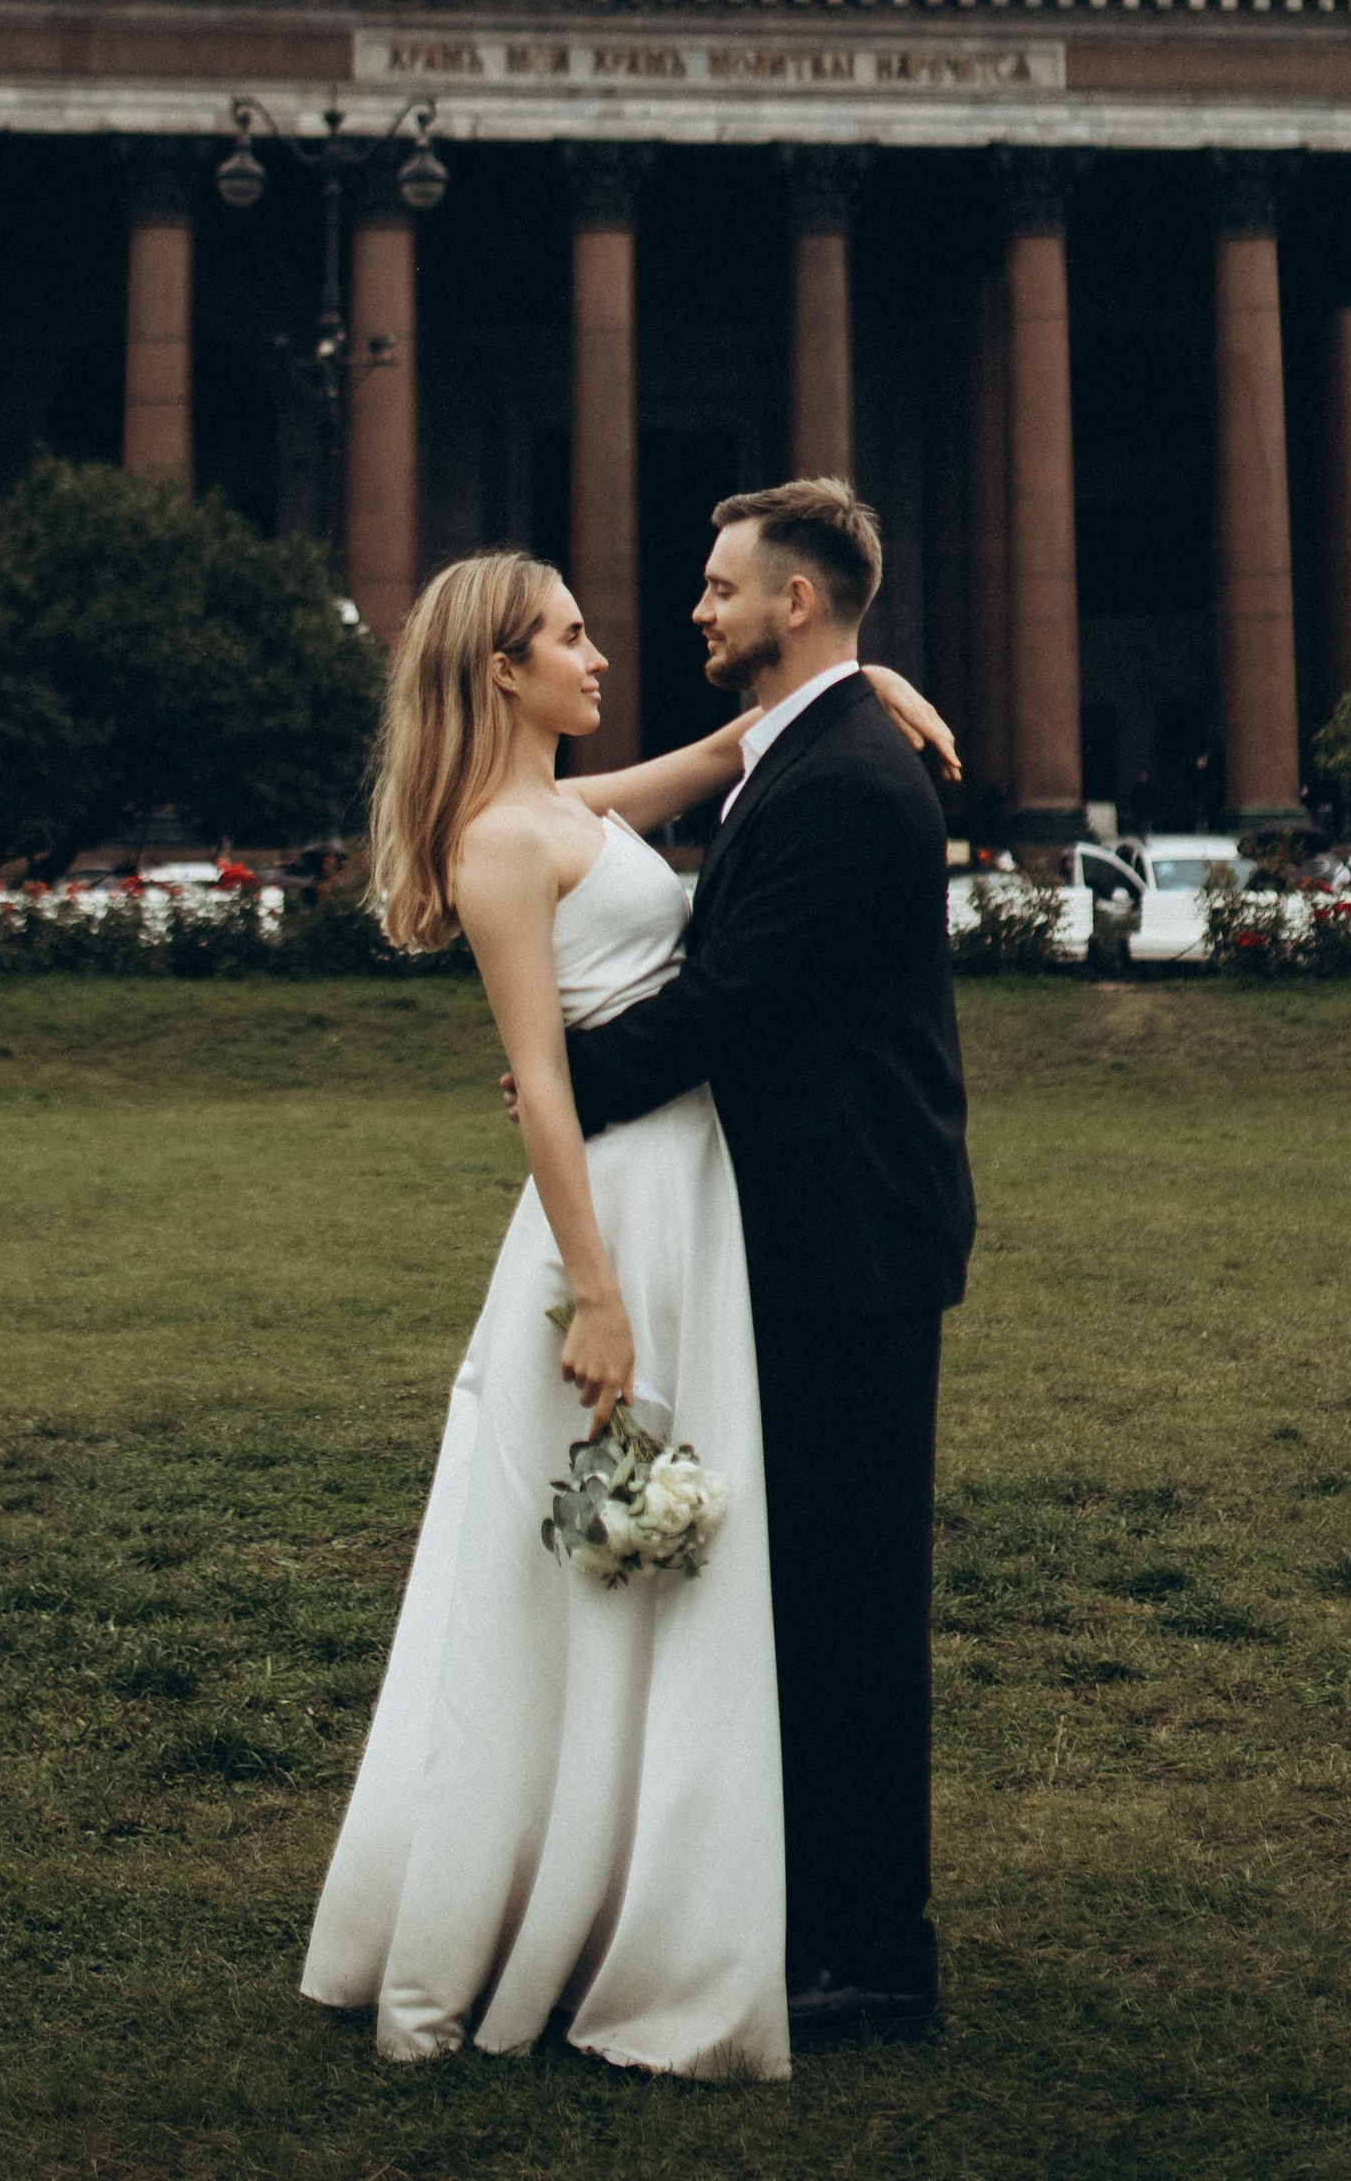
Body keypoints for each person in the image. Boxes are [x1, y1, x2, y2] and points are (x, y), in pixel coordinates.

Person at [301, 548, 956, 2082]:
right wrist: (593, 1293)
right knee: (592, 1565)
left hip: (695, 1206)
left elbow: (744, 747)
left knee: (688, 1551)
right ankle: (580, 1885)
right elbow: (540, 1082)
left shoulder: (572, 810)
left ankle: (659, 1871)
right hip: (615, 1222)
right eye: (570, 637)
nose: (607, 653)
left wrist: (870, 678)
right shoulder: (500, 842)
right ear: (499, 673)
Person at [565, 479, 973, 2044]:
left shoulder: (849, 784)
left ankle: (874, 1948)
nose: (697, 610)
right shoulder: (819, 747)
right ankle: (821, 1911)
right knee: (809, 1594)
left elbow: (737, 999)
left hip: (850, 1240)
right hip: (815, 1231)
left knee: (856, 1605)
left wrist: (557, 1079)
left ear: (795, 603)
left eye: (723, 586)